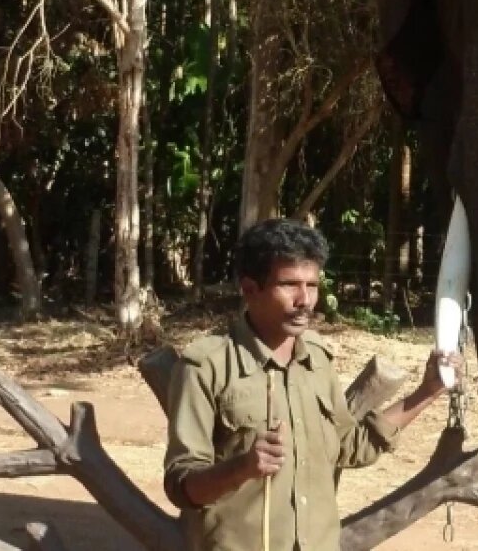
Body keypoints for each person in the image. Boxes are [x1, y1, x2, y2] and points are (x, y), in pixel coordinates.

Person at [164, 218, 460, 551]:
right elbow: (180, 485)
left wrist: (427, 392)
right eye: (289, 284)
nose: (305, 299)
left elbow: (350, 446)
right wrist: (241, 468)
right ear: (250, 289)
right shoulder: (207, 366)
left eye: (313, 285)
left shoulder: (318, 359)